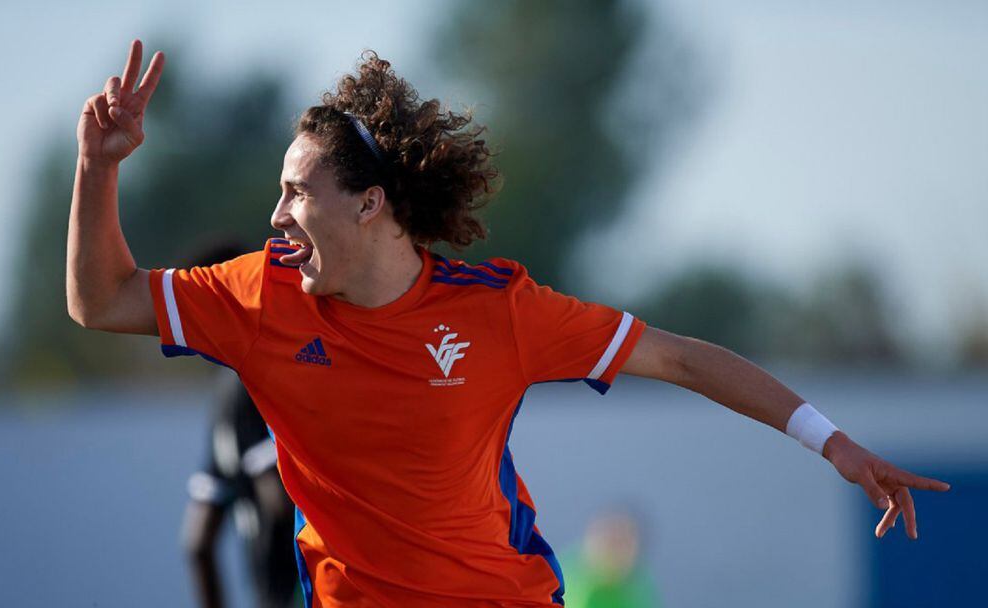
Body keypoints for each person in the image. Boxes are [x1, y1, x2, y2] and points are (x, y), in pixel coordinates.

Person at [66, 40, 950, 607]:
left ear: (372, 203)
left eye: (297, 189)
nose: (277, 212)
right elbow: (101, 300)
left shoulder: (500, 311)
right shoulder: (259, 297)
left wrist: (834, 443)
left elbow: (680, 359)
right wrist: (97, 169)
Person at [179, 240, 297, 608]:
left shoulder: (223, 400)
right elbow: (278, 496)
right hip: (309, 592)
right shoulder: (254, 382)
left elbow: (197, 542)